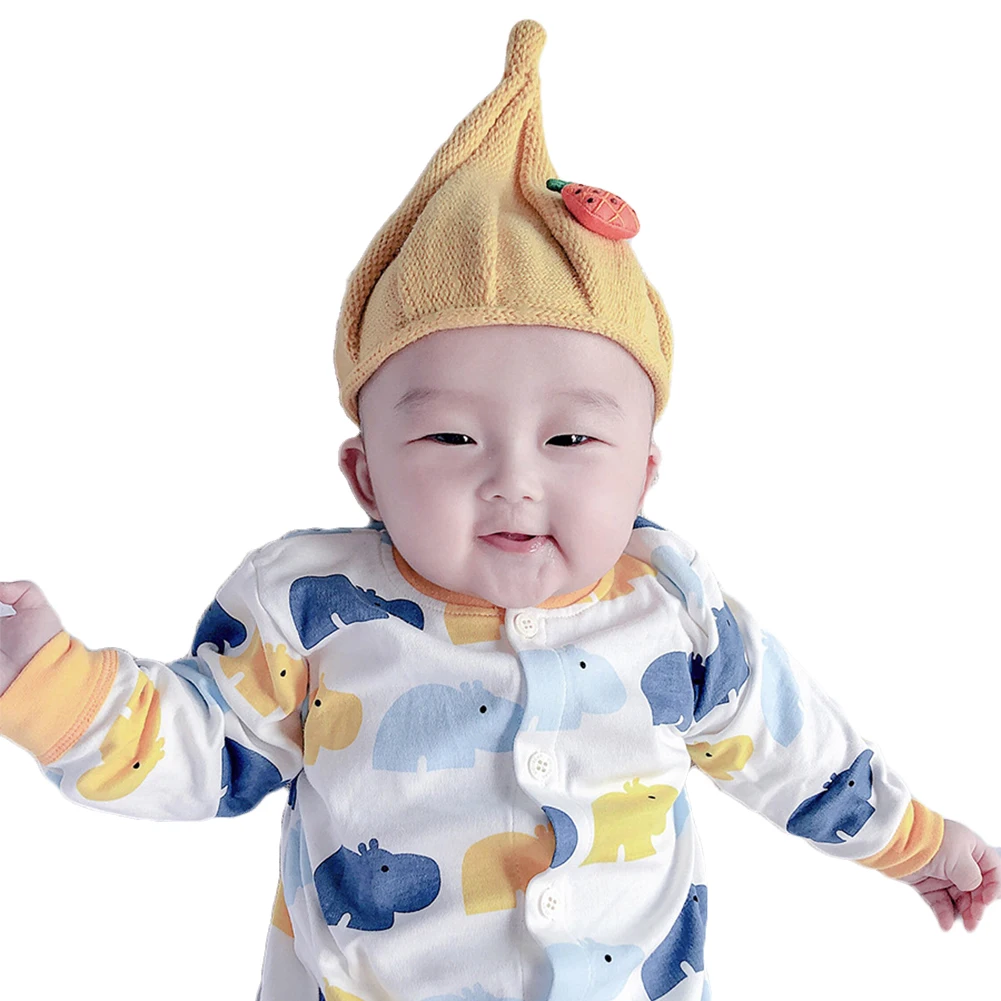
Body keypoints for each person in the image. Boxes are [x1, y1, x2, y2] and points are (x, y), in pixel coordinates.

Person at [0, 19, 996, 1001]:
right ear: (365, 475)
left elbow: (796, 748)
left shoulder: (675, 609)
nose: (513, 479)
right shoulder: (309, 609)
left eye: (570, 440)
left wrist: (918, 845)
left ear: (643, 474)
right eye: (449, 438)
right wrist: (51, 685)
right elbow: (198, 744)